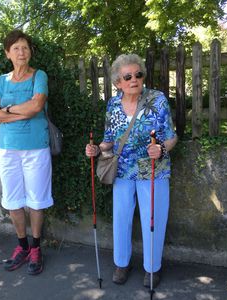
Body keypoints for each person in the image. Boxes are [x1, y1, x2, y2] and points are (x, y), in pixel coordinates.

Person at [85, 54, 177, 288]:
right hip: (123, 169)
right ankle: (122, 263)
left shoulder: (157, 99)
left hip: (153, 168)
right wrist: (96, 149)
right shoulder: (113, 104)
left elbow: (171, 137)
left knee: (153, 219)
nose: (134, 79)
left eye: (138, 74)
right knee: (122, 218)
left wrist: (161, 149)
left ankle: (152, 268)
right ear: (118, 82)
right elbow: (109, 140)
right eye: (128, 76)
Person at [0, 30, 53, 275]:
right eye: (16, 48)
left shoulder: (39, 76)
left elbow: (36, 106)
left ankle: (36, 248)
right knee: (13, 200)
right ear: (8, 54)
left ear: (30, 52)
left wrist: (8, 110)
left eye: (25, 47)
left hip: (36, 148)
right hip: (8, 150)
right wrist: (19, 112)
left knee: (36, 200)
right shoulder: (1, 81)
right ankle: (22, 246)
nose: (21, 52)